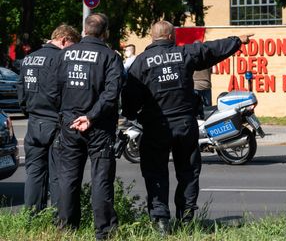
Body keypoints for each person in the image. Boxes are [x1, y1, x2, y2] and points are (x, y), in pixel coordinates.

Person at [122, 21, 252, 233]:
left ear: (152, 37)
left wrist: (132, 116)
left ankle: (161, 221)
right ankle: (186, 218)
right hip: (185, 124)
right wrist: (237, 41)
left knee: (156, 174)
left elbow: (129, 98)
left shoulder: (140, 63)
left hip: (156, 126)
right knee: (188, 173)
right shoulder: (184, 53)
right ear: (172, 36)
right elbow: (211, 50)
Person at [45, 13, 123, 240]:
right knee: (101, 179)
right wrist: (90, 117)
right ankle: (104, 231)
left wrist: (68, 114)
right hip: (98, 127)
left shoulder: (64, 55)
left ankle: (67, 228)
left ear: (85, 30)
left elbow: (51, 90)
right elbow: (111, 94)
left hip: (69, 125)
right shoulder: (110, 57)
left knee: (68, 178)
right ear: (105, 32)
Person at [16, 24, 81, 213]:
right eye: (72, 45)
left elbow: (21, 91)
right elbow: (64, 92)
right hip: (55, 122)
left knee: (34, 172)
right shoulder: (61, 59)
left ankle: (31, 216)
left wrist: (30, 110)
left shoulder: (28, 59)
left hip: (34, 122)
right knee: (57, 174)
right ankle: (58, 218)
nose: (72, 51)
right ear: (64, 40)